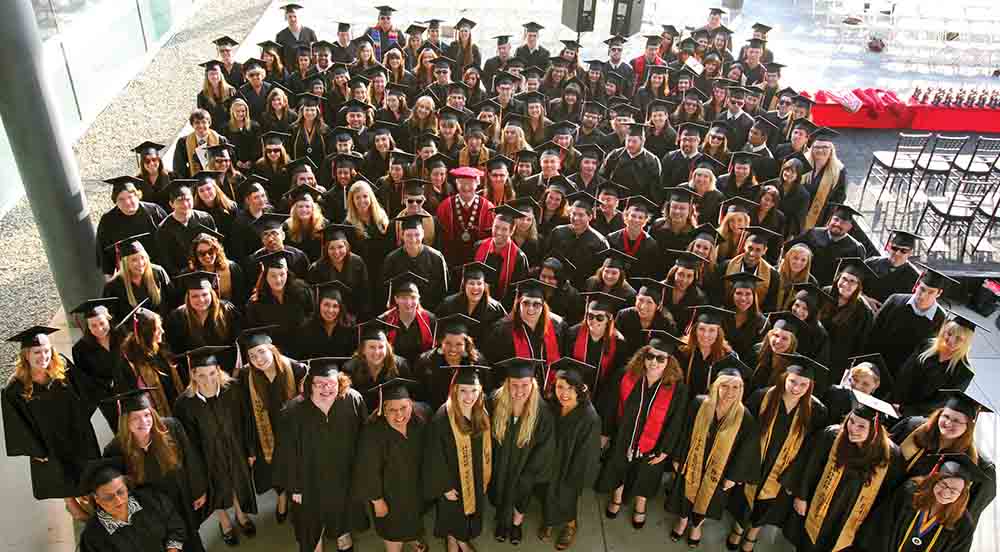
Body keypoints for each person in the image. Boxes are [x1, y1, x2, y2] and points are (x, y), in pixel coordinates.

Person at [727, 354, 830, 552]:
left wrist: (795, 478)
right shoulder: (762, 396)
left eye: (803, 384)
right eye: (793, 381)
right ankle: (739, 527)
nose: (796, 388)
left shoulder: (816, 410)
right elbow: (742, 431)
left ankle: (752, 534)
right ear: (784, 377)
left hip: (786, 467)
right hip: (754, 459)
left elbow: (811, 449)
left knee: (769, 503)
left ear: (810, 385)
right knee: (745, 498)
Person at [781, 390, 905, 552]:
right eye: (851, 421)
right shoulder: (833, 435)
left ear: (875, 431)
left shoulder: (890, 456)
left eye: (861, 426)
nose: (853, 429)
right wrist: (802, 495)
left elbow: (887, 494)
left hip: (852, 515)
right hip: (819, 506)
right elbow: (811, 464)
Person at [2, 326, 100, 520]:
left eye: (47, 350)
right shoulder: (14, 389)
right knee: (60, 473)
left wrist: (82, 419)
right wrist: (34, 450)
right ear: (26, 355)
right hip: (47, 440)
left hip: (75, 430)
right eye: (37, 352)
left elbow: (86, 391)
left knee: (87, 466)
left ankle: (94, 499)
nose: (43, 356)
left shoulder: (62, 368)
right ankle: (71, 504)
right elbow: (15, 423)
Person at [597, 331, 689, 529]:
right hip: (623, 436)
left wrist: (666, 449)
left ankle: (641, 505)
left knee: (646, 473)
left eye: (660, 358)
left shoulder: (677, 388)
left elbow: (677, 420)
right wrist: (605, 433)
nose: (654, 362)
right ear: (643, 355)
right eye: (650, 356)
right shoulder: (626, 376)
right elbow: (610, 405)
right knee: (619, 466)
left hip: (654, 442)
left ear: (669, 361)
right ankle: (617, 496)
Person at [278, 357, 368, 552]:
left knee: (343, 513)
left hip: (344, 475)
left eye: (331, 384)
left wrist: (362, 475)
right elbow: (287, 453)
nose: (326, 389)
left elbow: (364, 439)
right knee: (310, 523)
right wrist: (295, 488)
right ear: (310, 384)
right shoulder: (294, 411)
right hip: (309, 479)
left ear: (340, 382)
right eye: (319, 384)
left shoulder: (352, 400)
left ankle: (343, 540)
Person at [102, 389, 208, 552]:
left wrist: (198, 489)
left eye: (146, 415)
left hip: (179, 498)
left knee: (191, 540)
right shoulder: (115, 450)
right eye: (135, 418)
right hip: (150, 511)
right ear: (125, 422)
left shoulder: (171, 428)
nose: (143, 421)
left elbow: (190, 458)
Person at [667, 366, 761, 548]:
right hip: (692, 461)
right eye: (725, 386)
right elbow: (684, 432)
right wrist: (678, 456)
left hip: (719, 471)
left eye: (736, 388)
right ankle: (683, 520)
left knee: (707, 501)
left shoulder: (745, 417)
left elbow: (746, 451)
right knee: (685, 494)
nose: (730, 392)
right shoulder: (699, 403)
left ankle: (696, 526)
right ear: (716, 385)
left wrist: (733, 477)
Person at [173, 346, 257, 545]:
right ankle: (225, 521)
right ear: (193, 375)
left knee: (237, 481)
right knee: (216, 489)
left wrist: (251, 449)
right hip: (206, 455)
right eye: (201, 375)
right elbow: (186, 441)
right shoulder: (184, 403)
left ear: (218, 370)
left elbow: (247, 420)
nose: (208, 379)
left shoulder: (233, 389)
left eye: (211, 373)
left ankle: (240, 514)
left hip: (235, 447)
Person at [236, 326, 306, 523]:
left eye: (261, 352)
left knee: (297, 464)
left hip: (293, 430)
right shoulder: (245, 377)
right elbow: (246, 413)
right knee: (274, 467)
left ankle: (299, 498)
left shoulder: (296, 368)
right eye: (252, 356)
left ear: (271, 349)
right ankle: (282, 497)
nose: (259, 359)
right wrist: (250, 447)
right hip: (265, 431)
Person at [354, 378, 429, 552]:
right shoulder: (373, 432)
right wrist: (377, 501)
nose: (399, 415)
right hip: (388, 493)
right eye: (392, 410)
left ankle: (411, 539)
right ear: (382, 410)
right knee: (392, 530)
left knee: (412, 519)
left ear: (411, 404)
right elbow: (367, 470)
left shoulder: (419, 422)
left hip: (413, 490)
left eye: (404, 408)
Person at [424, 364, 493, 551]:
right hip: (452, 480)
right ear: (454, 390)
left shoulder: (482, 412)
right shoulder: (442, 417)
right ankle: (457, 541)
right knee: (453, 513)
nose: (469, 396)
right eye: (463, 390)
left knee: (470, 511)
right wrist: (444, 486)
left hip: (474, 476)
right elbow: (434, 456)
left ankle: (456, 539)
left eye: (474, 390)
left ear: (480, 391)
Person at [488, 358, 555, 544]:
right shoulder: (495, 401)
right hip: (500, 462)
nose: (519, 391)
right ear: (507, 383)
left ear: (533, 384)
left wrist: (530, 473)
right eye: (514, 385)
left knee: (521, 493)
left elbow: (545, 446)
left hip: (526, 467)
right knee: (501, 489)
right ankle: (502, 521)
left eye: (524, 385)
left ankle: (516, 524)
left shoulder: (542, 412)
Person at [537, 359, 602, 550]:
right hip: (550, 460)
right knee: (547, 492)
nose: (564, 394)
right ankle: (549, 520)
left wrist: (576, 477)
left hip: (571, 465)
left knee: (566, 496)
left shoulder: (589, 417)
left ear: (580, 389)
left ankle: (570, 525)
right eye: (560, 387)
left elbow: (588, 454)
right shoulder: (552, 405)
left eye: (570, 388)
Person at [858, 454, 981, 552]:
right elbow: (881, 526)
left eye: (954, 491)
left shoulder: (963, 525)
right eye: (943, 484)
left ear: (962, 495)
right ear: (934, 480)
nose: (946, 493)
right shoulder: (909, 493)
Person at [79, 459, 188, 552]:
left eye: (121, 491)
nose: (118, 500)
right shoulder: (92, 536)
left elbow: (175, 526)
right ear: (97, 499)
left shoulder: (152, 500)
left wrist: (172, 550)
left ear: (126, 487)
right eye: (109, 497)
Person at [866, 267, 953, 378]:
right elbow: (873, 332)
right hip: (875, 367)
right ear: (916, 285)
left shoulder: (941, 320)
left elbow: (933, 355)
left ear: (939, 293)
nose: (923, 295)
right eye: (922, 289)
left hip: (906, 376)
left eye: (931, 292)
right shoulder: (895, 301)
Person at [893, 313, 982, 417]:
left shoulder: (963, 372)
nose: (951, 340)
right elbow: (904, 373)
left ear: (966, 342)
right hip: (895, 402)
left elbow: (941, 402)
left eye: (959, 339)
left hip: (917, 416)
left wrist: (905, 410)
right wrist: (894, 400)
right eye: (949, 333)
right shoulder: (926, 345)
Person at [486, 279, 567, 384]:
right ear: (518, 303)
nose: (530, 309)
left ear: (543, 306)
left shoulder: (557, 327)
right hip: (517, 391)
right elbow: (494, 367)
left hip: (550, 391)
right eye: (526, 303)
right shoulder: (502, 331)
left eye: (536, 304)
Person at [164, 271, 240, 374]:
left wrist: (237, 369)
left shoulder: (227, 310)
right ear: (188, 297)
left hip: (227, 369)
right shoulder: (177, 317)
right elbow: (176, 350)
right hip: (196, 373)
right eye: (194, 296)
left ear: (212, 294)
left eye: (205, 294)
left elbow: (238, 341)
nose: (201, 299)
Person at [69, 298, 124, 431]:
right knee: (120, 430)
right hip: (107, 397)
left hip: (131, 388)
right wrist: (106, 387)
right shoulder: (80, 349)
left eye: (102, 323)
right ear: (87, 326)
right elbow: (86, 380)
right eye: (93, 325)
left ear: (108, 319)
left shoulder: (122, 335)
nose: (99, 329)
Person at [414, 314, 488, 411]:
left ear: (466, 344)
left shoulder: (477, 362)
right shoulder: (426, 362)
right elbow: (418, 395)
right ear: (441, 342)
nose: (453, 349)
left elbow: (486, 390)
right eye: (448, 343)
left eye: (459, 344)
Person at [96, 177, 168, 277]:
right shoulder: (108, 221)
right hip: (128, 275)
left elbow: (170, 238)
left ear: (137, 196)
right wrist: (109, 277)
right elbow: (104, 251)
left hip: (159, 270)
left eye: (130, 197)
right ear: (115, 201)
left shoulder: (154, 211)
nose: (127, 203)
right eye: (121, 199)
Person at [245, 250, 315, 351]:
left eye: (282, 274)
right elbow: (257, 334)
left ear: (287, 272)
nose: (278, 280)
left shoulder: (302, 291)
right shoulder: (255, 303)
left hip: (305, 347)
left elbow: (312, 314)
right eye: (273, 275)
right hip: (275, 352)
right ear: (265, 276)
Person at [787, 203, 867, 286]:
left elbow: (857, 275)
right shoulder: (813, 233)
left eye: (843, 223)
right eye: (836, 219)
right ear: (830, 220)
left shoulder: (856, 248)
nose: (838, 224)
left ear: (849, 227)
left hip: (828, 290)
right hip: (801, 281)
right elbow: (789, 249)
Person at [382, 214, 449, 310]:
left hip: (430, 311)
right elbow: (386, 291)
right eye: (408, 235)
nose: (413, 239)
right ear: (402, 235)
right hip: (401, 311)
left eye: (417, 235)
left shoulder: (436, 258)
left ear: (423, 234)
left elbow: (443, 291)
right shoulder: (392, 259)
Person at [158, 179, 219, 276]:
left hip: (210, 271)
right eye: (180, 200)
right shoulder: (164, 229)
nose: (185, 204)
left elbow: (216, 247)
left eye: (188, 199)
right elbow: (167, 261)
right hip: (183, 276)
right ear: (171, 204)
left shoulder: (205, 218)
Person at [437, 166, 496, 265]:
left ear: (477, 184)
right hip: (451, 261)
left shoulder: (488, 208)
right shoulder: (445, 207)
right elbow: (441, 241)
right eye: (462, 183)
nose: (466, 187)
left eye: (470, 183)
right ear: (456, 184)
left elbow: (490, 240)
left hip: (479, 261)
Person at [473, 205, 532, 302]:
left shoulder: (519, 258)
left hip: (502, 307)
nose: (499, 232)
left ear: (512, 231)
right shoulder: (478, 246)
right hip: (476, 299)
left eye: (504, 229)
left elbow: (518, 292)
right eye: (496, 227)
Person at [102, 235, 173, 317]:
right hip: (133, 329)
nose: (140, 263)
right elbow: (111, 317)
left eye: (142, 257)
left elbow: (173, 300)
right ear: (125, 263)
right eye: (134, 260)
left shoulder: (158, 272)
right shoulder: (113, 287)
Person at [675, 305, 738, 396]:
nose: (706, 335)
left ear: (718, 333)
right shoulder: (682, 351)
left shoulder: (727, 357)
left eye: (712, 330)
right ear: (694, 330)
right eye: (701, 329)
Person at [436, 263, 508, 342]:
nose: (475, 288)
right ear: (464, 285)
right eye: (471, 283)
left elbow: (502, 333)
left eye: (479, 283)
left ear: (484, 286)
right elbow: (438, 330)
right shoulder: (448, 304)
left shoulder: (495, 309)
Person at [296, 280, 358, 359]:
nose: (330, 310)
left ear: (340, 308)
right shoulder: (307, 326)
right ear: (319, 305)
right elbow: (302, 357)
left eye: (335, 306)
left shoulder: (350, 326)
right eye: (326, 305)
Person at [802, 128, 847, 230]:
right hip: (796, 213)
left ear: (831, 149)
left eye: (825, 147)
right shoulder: (803, 162)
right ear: (812, 148)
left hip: (820, 217)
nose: (820, 150)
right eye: (817, 147)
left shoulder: (839, 170)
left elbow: (839, 198)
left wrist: (829, 219)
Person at [864, 229, 923, 305]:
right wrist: (865, 299)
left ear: (910, 253)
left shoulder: (915, 278)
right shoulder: (871, 263)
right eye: (894, 248)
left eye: (903, 251)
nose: (897, 253)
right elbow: (855, 284)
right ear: (889, 247)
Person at [721, 273, 767, 364]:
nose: (743, 298)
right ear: (732, 294)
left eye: (748, 294)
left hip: (748, 368)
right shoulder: (721, 315)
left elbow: (759, 353)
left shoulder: (762, 323)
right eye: (738, 293)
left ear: (754, 296)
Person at [275, 3, 318, 69]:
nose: (292, 19)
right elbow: (279, 57)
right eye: (290, 17)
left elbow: (316, 53)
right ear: (286, 17)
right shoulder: (281, 36)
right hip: (290, 72)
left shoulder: (310, 33)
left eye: (295, 16)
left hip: (308, 72)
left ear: (299, 17)